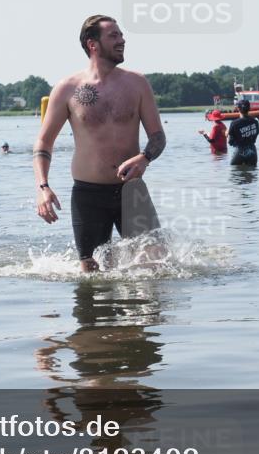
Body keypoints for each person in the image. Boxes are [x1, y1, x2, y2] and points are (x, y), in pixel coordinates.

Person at [33, 15, 165, 272]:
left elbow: (158, 136)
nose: (122, 40)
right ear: (92, 44)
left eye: (121, 35)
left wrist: (144, 157)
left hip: (132, 192)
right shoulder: (67, 88)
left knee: (155, 264)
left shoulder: (137, 83)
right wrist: (43, 187)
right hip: (88, 195)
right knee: (91, 272)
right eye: (113, 36)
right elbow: (43, 142)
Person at [228, 100, 259, 165]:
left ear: (238, 108)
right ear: (249, 108)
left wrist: (227, 134)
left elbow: (230, 142)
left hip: (240, 151)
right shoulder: (255, 122)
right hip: (252, 151)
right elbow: (255, 137)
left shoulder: (234, 123)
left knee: (235, 172)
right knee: (252, 173)